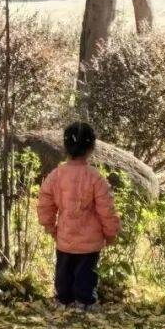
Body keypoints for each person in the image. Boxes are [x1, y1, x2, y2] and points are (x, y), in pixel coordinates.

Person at [37, 121, 121, 311]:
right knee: (86, 275)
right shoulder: (95, 177)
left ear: (65, 146)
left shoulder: (56, 175)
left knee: (64, 272)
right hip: (90, 241)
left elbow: (45, 203)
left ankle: (63, 300)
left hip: (64, 236)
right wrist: (111, 233)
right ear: (91, 148)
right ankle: (85, 303)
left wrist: (49, 227)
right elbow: (107, 209)